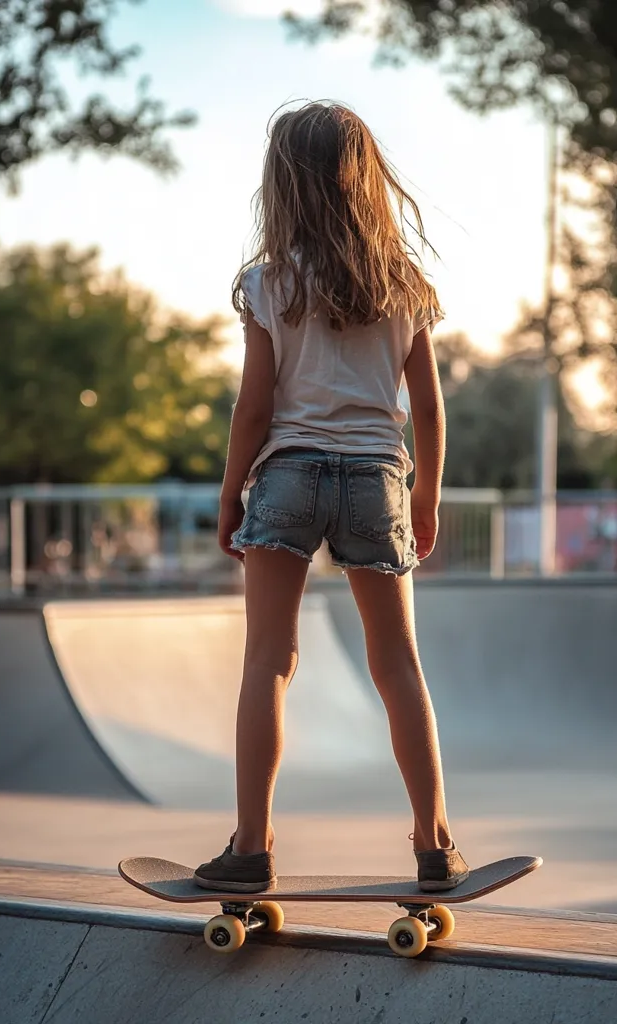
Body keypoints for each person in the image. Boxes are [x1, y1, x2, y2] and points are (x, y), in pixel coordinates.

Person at [195, 101, 469, 895]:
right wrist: (427, 495)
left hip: (285, 476)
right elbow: (428, 408)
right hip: (376, 479)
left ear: (283, 186)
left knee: (268, 662)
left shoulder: (266, 282)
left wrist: (229, 496)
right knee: (398, 667)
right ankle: (435, 844)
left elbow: (254, 406)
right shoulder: (405, 284)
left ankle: (250, 849)